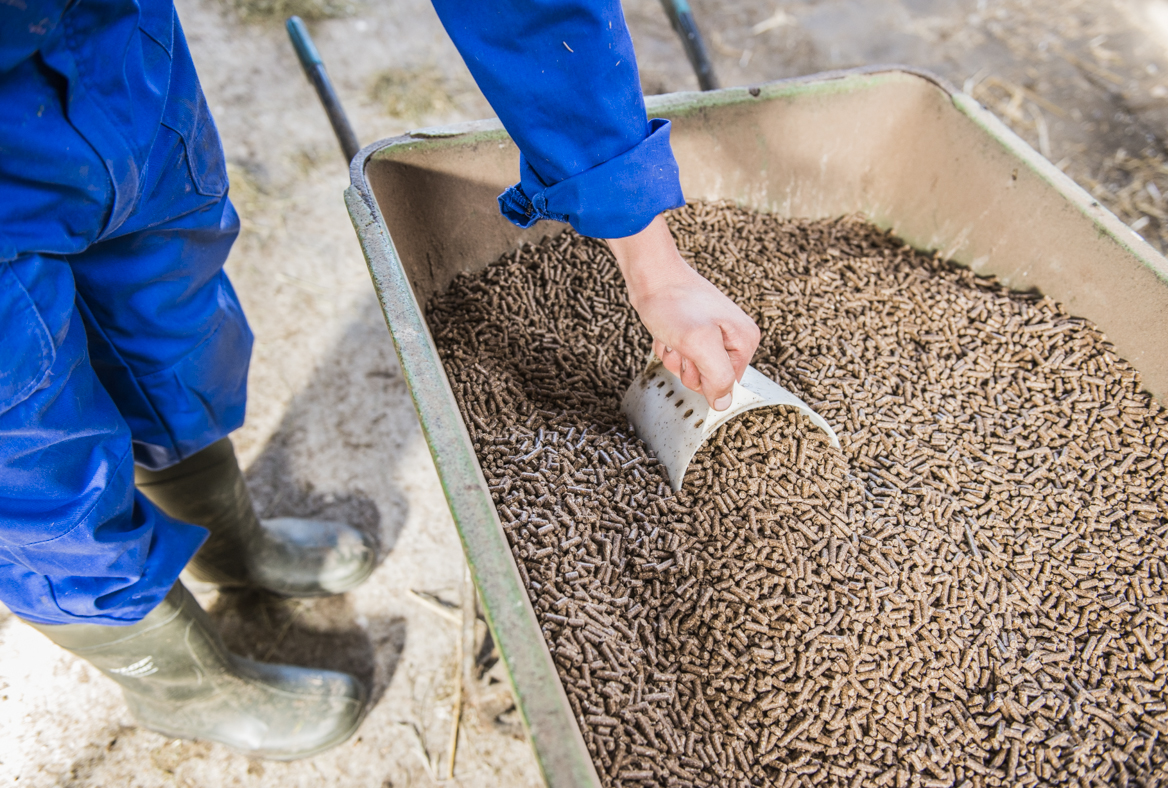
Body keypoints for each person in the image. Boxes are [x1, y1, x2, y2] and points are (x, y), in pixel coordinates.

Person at [0, 0, 759, 760]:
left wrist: (650, 261)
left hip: (106, 50)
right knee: (31, 455)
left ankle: (221, 545)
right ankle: (174, 679)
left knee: (170, 328)